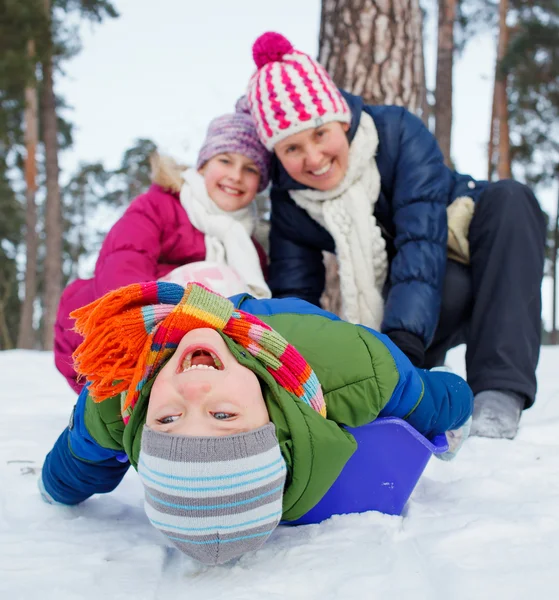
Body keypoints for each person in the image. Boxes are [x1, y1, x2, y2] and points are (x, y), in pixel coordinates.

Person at [241, 31, 547, 440]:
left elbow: (420, 242)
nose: (313, 158)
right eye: (291, 148)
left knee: (511, 198)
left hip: (477, 248)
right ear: (276, 155)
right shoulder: (290, 200)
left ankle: (497, 394)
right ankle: (426, 383)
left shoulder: (398, 133)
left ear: (341, 119)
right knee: (446, 289)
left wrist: (398, 354)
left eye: (319, 134)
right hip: (433, 293)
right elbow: (295, 299)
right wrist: (300, 379)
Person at [39, 281, 473, 566]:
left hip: (179, 307)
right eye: (223, 416)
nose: (191, 392)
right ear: (272, 423)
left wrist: (55, 487)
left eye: (168, 418)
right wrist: (458, 412)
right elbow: (429, 396)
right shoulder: (352, 368)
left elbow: (79, 453)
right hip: (282, 321)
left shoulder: (120, 394)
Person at [54, 110, 272, 394]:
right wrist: (137, 333)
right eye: (225, 160)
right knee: (217, 280)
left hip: (194, 348)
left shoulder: (250, 248)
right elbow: (123, 266)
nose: (236, 176)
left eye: (251, 169)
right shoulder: (159, 206)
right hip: (116, 338)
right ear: (203, 165)